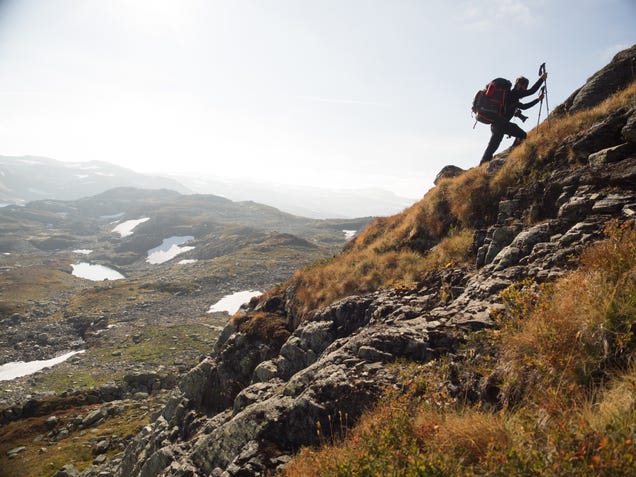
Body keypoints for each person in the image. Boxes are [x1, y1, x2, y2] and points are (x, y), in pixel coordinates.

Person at [480, 72, 547, 164]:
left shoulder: (511, 95)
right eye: (524, 87)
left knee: (492, 146)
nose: (525, 90)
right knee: (522, 135)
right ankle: (518, 154)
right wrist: (541, 79)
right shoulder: (515, 93)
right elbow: (532, 91)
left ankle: (483, 164)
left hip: (496, 124)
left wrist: (538, 100)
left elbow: (523, 106)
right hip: (501, 123)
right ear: (519, 85)